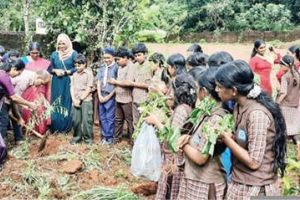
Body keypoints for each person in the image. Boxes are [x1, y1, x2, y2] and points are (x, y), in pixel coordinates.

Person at [215, 60, 286, 198]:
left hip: (256, 187)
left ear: (234, 91)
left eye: (219, 86)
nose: (216, 90)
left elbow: (254, 162)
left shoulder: (257, 115)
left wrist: (226, 138)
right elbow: (244, 140)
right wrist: (231, 137)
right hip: (240, 181)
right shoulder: (238, 106)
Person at [177, 68, 229, 200]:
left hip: (205, 182)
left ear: (204, 92)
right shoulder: (207, 113)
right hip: (197, 179)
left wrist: (182, 143)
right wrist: (189, 138)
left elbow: (201, 157)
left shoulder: (216, 118)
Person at [146, 74, 197, 200]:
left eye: (172, 89)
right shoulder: (188, 108)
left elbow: (173, 137)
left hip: (174, 159)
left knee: (170, 190)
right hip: (179, 157)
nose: (169, 91)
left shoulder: (181, 110)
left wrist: (156, 122)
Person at [0, 60, 37, 141]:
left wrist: (24, 105)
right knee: (3, 123)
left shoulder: (3, 74)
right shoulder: (4, 77)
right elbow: (14, 97)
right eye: (19, 73)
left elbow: (11, 97)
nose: (18, 76)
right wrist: (29, 104)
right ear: (13, 69)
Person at [48, 33, 78, 133]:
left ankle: (65, 127)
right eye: (59, 43)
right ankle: (55, 126)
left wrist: (66, 72)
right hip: (56, 81)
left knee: (66, 101)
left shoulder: (73, 54)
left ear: (68, 43)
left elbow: (78, 67)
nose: (61, 46)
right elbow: (49, 68)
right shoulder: (54, 54)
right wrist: (55, 71)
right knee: (56, 101)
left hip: (67, 81)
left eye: (63, 43)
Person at [276, 55, 300, 160]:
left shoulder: (285, 77)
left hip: (285, 106)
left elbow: (283, 93)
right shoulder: (297, 74)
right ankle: (298, 145)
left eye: (281, 64)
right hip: (295, 105)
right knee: (294, 130)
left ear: (285, 65)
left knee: (284, 131)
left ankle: (284, 155)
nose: (280, 66)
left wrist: (276, 103)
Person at [108, 47, 134, 142]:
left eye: (119, 59)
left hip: (127, 99)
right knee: (118, 119)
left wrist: (115, 82)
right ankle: (117, 138)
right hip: (119, 98)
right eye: (116, 59)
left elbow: (128, 83)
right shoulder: (120, 68)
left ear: (125, 57)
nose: (117, 61)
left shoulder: (131, 67)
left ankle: (132, 140)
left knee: (129, 120)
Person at [70, 54, 94, 144]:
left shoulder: (88, 74)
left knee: (86, 120)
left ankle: (88, 139)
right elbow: (71, 87)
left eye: (79, 65)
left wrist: (80, 100)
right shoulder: (74, 74)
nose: (77, 67)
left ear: (84, 64)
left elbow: (89, 88)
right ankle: (77, 137)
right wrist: (74, 100)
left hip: (85, 101)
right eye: (75, 65)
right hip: (75, 101)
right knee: (75, 120)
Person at [97, 47, 118, 145]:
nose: (106, 60)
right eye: (105, 58)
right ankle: (104, 136)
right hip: (101, 94)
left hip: (110, 96)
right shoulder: (102, 67)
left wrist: (108, 96)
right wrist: (99, 95)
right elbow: (98, 81)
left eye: (108, 58)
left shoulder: (117, 68)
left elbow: (117, 85)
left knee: (110, 117)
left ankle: (109, 137)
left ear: (113, 57)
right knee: (102, 117)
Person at [129, 43, 152, 126]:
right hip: (135, 98)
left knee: (144, 122)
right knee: (135, 122)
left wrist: (133, 83)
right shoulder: (134, 66)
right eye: (135, 56)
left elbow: (150, 85)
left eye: (139, 55)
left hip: (145, 99)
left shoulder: (150, 66)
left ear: (145, 54)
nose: (137, 58)